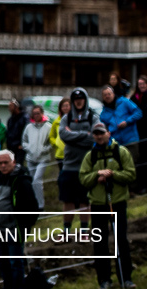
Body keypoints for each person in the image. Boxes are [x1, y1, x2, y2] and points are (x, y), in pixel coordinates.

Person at [80, 120, 135, 289]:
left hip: (117, 202)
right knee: (100, 242)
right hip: (97, 204)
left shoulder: (121, 152)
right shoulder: (90, 156)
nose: (99, 136)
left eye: (101, 133)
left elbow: (131, 174)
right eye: (96, 134)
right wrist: (97, 175)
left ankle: (126, 278)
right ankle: (104, 279)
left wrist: (112, 175)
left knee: (121, 241)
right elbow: (83, 178)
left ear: (108, 133)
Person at [0, 149, 38, 289]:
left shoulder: (22, 181)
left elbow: (33, 207)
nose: (3, 166)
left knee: (15, 264)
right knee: (3, 265)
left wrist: (24, 228)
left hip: (14, 230)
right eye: (0, 163)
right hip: (0, 230)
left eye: (6, 162)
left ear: (14, 162)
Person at [58, 88, 99, 231]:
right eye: (76, 100)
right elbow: (63, 135)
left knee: (84, 200)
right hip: (68, 165)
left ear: (85, 100)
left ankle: (84, 230)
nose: (78, 102)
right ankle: (66, 230)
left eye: (81, 99)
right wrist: (84, 134)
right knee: (68, 200)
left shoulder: (92, 117)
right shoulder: (66, 118)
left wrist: (74, 136)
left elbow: (93, 137)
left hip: (86, 166)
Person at [99, 84, 142, 184]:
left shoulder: (124, 102)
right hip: (116, 143)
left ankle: (134, 188)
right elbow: (104, 129)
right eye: (105, 95)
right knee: (120, 166)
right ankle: (124, 188)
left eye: (109, 93)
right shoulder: (103, 113)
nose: (107, 96)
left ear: (113, 94)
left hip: (131, 139)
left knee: (133, 164)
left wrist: (127, 121)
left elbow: (138, 113)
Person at [21, 103, 53, 210]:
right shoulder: (29, 127)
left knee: (37, 180)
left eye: (38, 113)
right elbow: (24, 140)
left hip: (43, 158)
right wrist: (28, 148)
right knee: (32, 181)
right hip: (31, 158)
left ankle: (40, 205)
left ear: (42, 113)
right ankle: (32, 203)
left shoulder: (48, 127)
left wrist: (44, 149)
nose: (36, 115)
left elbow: (51, 142)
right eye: (34, 114)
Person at [4, 100, 29, 166]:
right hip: (11, 147)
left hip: (19, 147)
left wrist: (22, 144)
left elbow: (26, 132)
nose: (9, 109)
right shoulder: (10, 119)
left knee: (18, 165)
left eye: (11, 106)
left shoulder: (24, 118)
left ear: (16, 107)